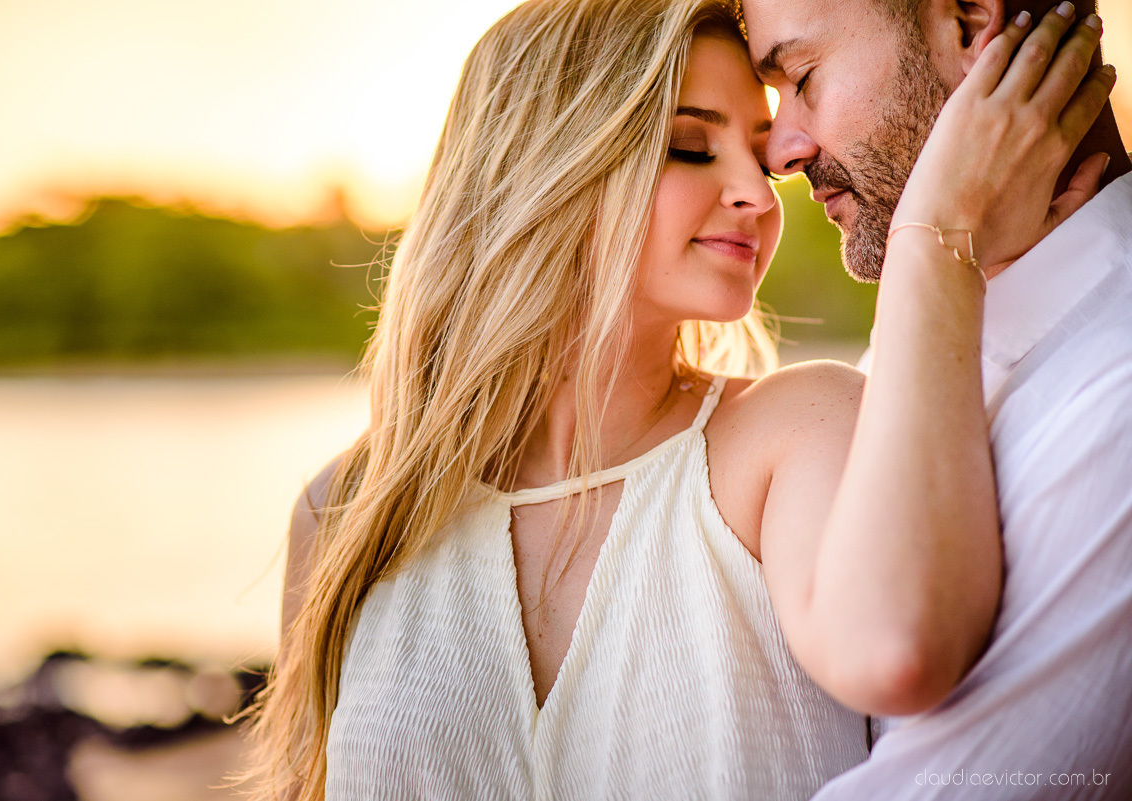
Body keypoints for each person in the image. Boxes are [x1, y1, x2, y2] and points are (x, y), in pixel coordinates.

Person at [238, 0, 1112, 798]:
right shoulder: (346, 512)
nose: (762, 187)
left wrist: (937, 235)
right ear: (547, 167)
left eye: (761, 141)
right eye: (692, 145)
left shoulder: (795, 430)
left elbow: (896, 651)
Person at [737, 0, 1132, 796]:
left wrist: (935, 235)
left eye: (803, 77)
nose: (780, 150)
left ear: (967, 23)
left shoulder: (1116, 391)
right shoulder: (927, 330)